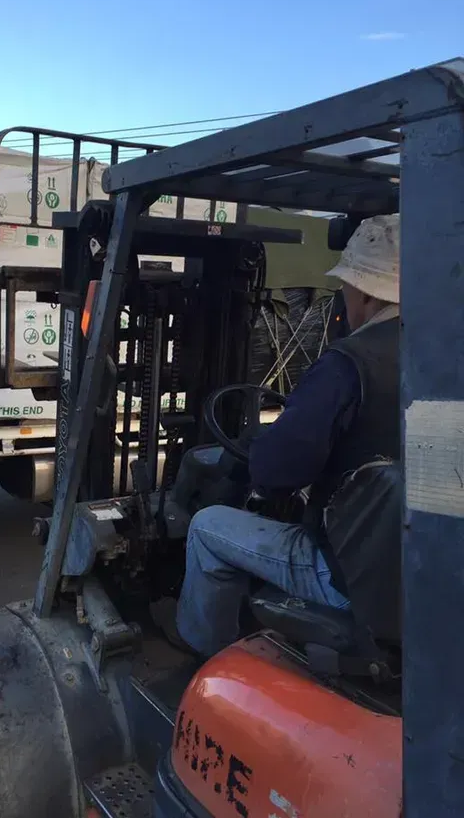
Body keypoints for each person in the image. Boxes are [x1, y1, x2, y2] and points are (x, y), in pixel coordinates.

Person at [152, 214, 401, 659]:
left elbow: (275, 474)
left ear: (365, 291)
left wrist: (258, 449)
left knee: (208, 526)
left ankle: (201, 652)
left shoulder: (348, 365)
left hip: (346, 573)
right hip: (413, 563)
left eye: (345, 286)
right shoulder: (440, 355)